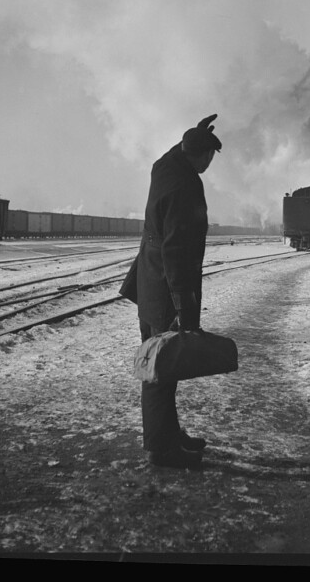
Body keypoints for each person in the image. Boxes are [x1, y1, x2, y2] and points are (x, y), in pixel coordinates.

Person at [120, 114, 222, 470]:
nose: (210, 163)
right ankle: (161, 450)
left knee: (164, 367)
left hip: (149, 284)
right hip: (165, 291)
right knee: (160, 370)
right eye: (209, 156)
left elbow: (169, 154)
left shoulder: (165, 168)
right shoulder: (184, 186)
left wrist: (195, 132)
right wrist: (184, 307)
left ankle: (167, 434)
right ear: (203, 156)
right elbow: (177, 253)